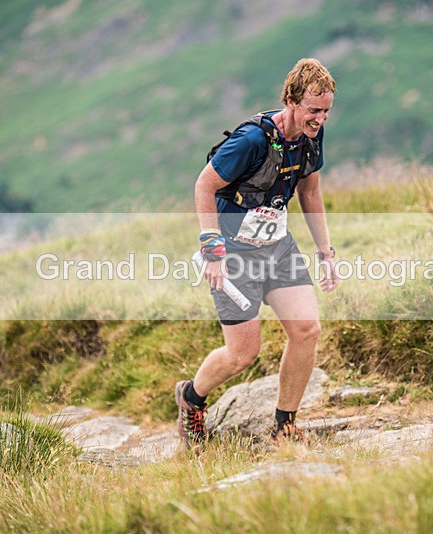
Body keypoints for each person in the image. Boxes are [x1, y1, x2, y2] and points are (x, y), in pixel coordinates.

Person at [175, 58, 339, 449]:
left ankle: (285, 424)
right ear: (292, 101)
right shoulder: (251, 141)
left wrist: (325, 252)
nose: (320, 119)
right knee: (242, 353)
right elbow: (204, 185)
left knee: (307, 330)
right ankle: (191, 398)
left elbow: (310, 192)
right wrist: (212, 248)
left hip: (277, 247)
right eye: (314, 110)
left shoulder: (311, 138)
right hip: (233, 251)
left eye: (327, 111)